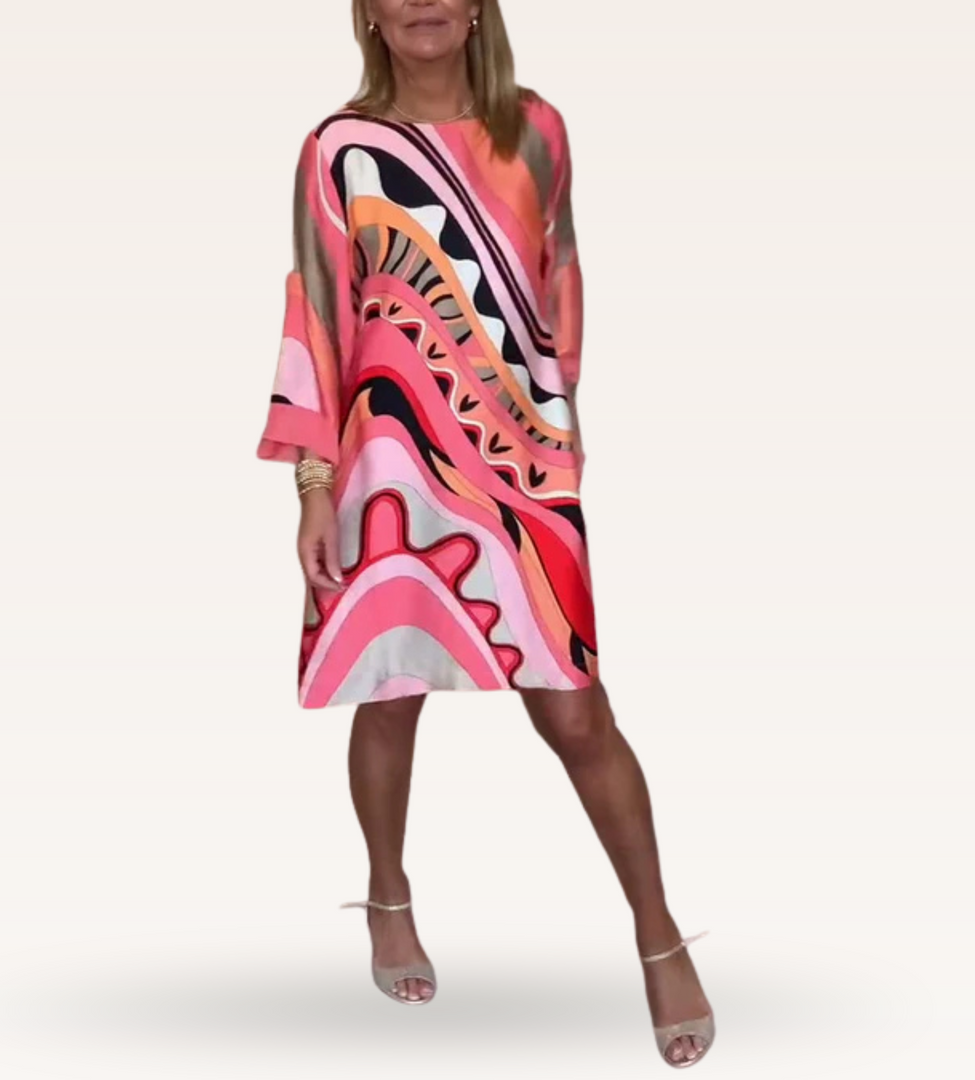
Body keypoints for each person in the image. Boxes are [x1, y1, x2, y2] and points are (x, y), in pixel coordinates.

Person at [256, 1, 715, 1067]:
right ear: (370, 12)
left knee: (578, 709)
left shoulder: (535, 129)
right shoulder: (338, 148)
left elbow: (559, 278)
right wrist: (314, 486)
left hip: (516, 464)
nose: (423, 2)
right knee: (390, 689)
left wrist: (553, 428)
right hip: (385, 458)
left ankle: (657, 933)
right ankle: (388, 894)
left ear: (475, 8)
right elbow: (316, 311)